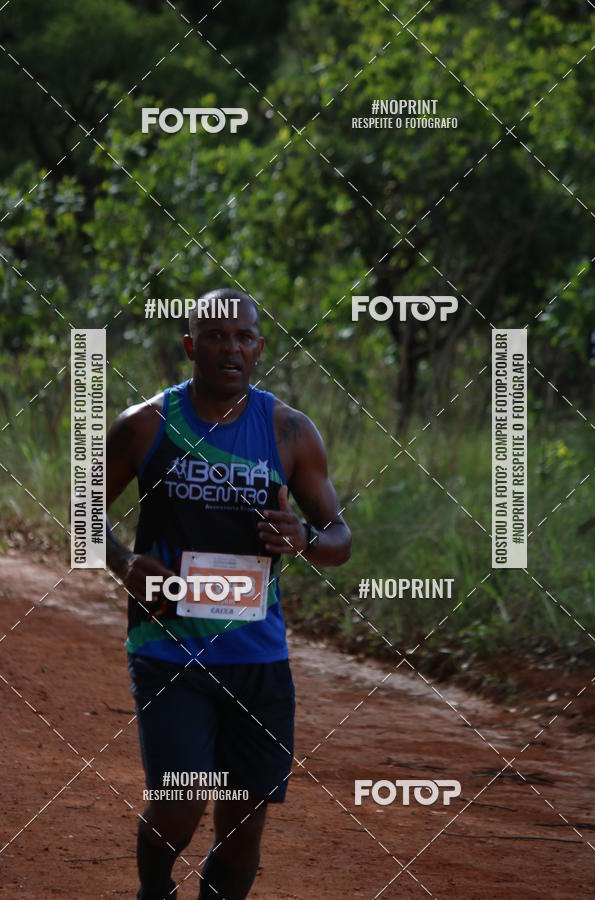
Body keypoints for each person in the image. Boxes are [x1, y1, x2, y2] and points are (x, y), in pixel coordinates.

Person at [105, 287, 352, 900]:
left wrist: (304, 540)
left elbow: (339, 536)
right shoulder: (145, 425)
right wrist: (124, 560)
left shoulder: (290, 431)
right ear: (190, 345)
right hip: (168, 651)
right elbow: (83, 511)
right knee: (179, 808)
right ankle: (154, 891)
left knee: (243, 828)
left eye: (244, 337)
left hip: (257, 657)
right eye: (216, 336)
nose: (231, 348)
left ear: (260, 348)